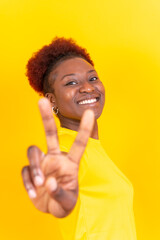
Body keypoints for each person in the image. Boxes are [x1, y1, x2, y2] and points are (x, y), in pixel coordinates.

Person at [21, 37, 137, 240]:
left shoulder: (93, 148)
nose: (88, 88)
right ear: (52, 100)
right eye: (71, 82)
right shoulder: (68, 149)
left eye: (92, 78)